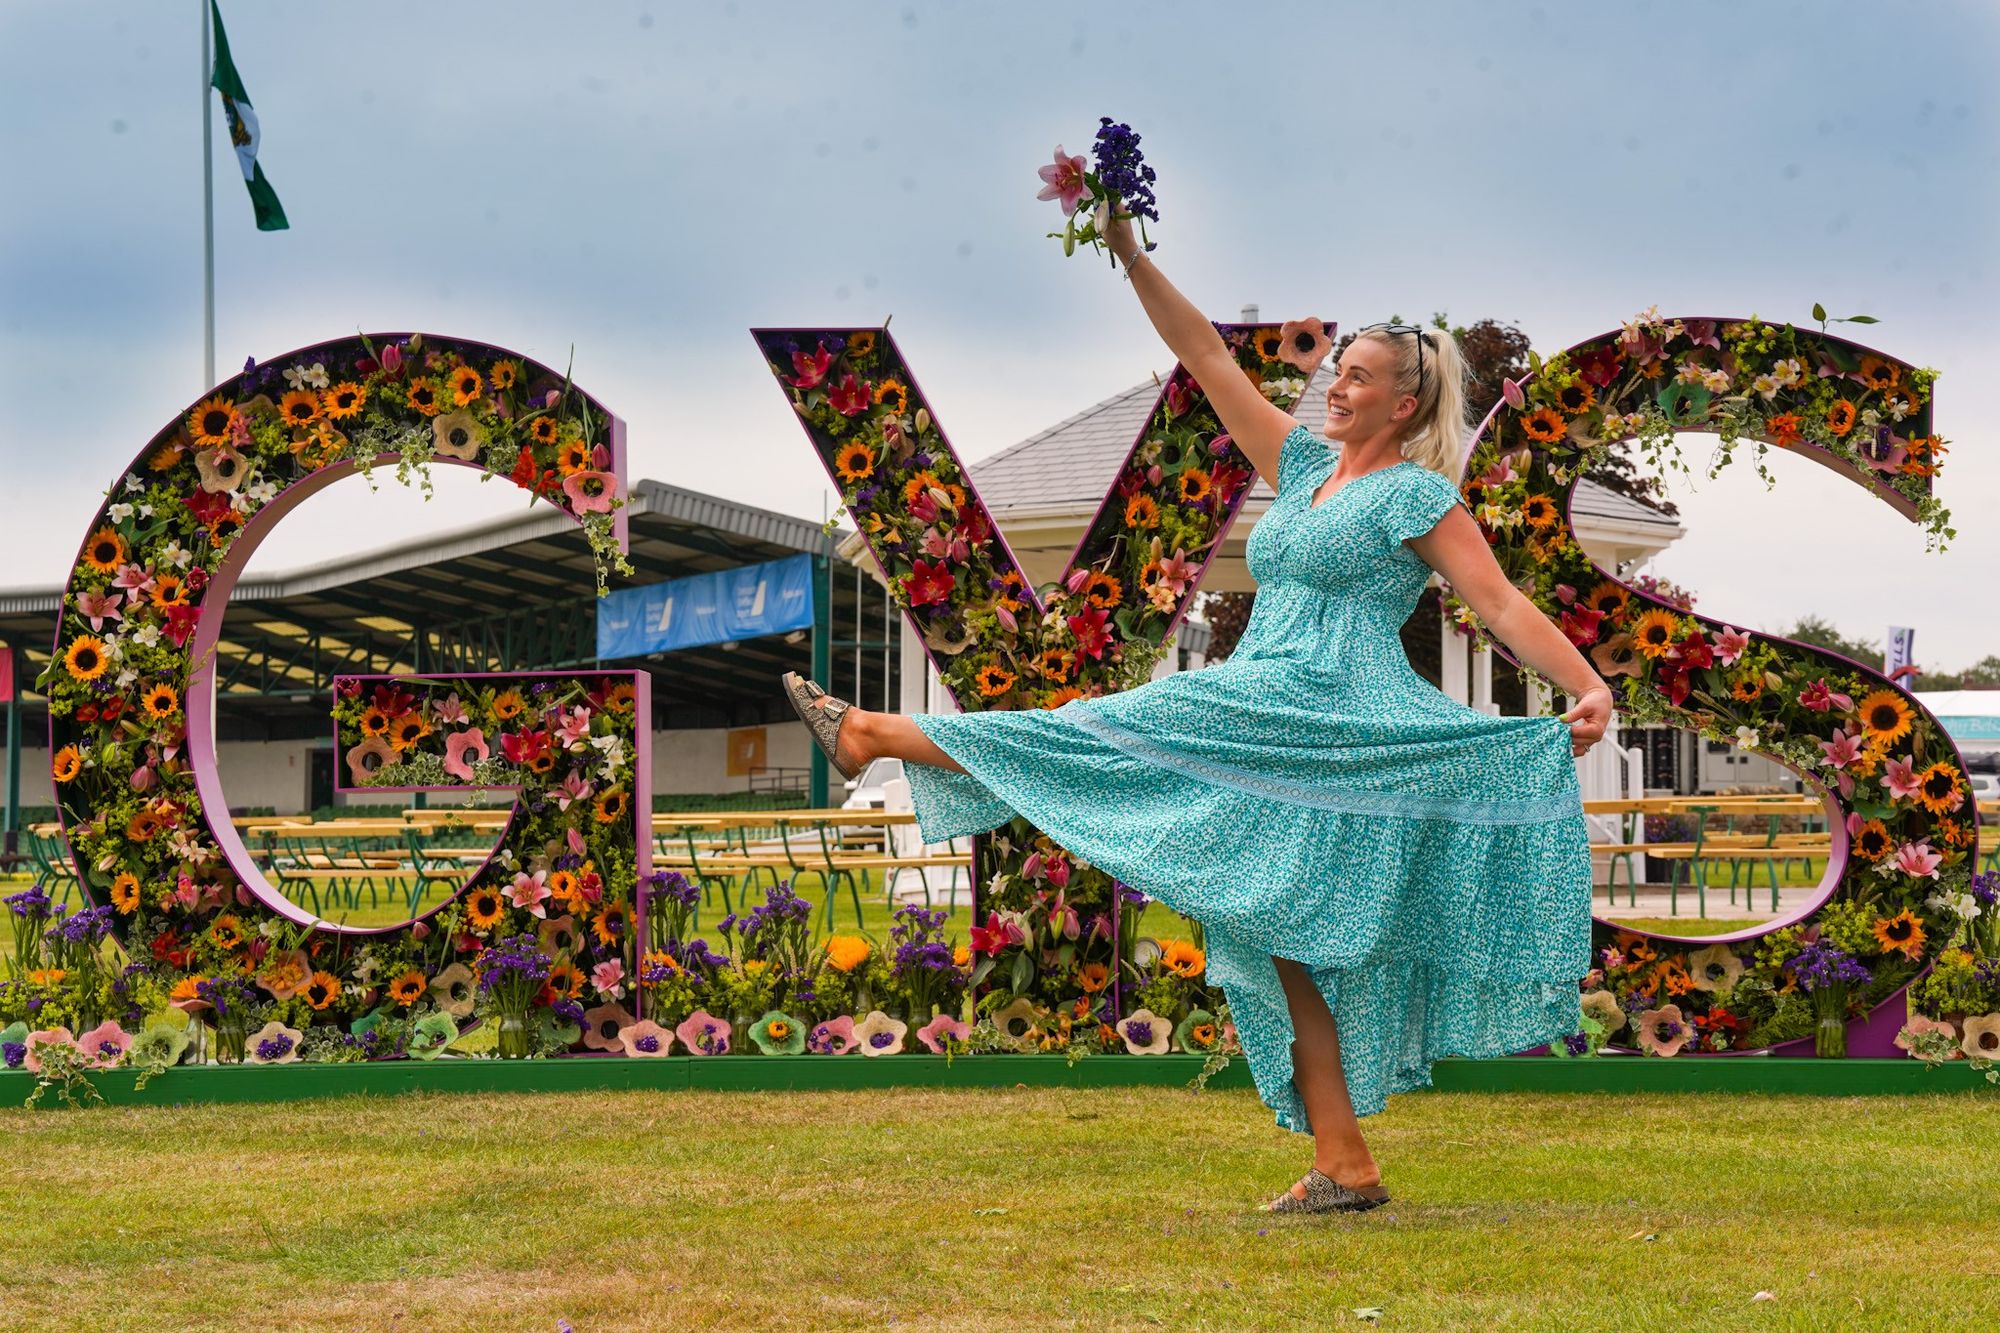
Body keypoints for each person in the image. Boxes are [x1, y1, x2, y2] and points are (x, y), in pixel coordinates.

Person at [782, 201, 1614, 1216]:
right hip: (1269, 692)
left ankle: (876, 734)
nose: (1334, 386)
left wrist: (1585, 683)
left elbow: (1500, 603)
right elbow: (1204, 358)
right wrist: (1126, 248)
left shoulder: (1414, 499)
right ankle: (1344, 1163)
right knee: (1273, 931)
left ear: (1401, 404)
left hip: (1330, 704)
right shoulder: (1304, 468)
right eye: (1335, 370)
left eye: (1356, 376)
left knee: (1118, 724)